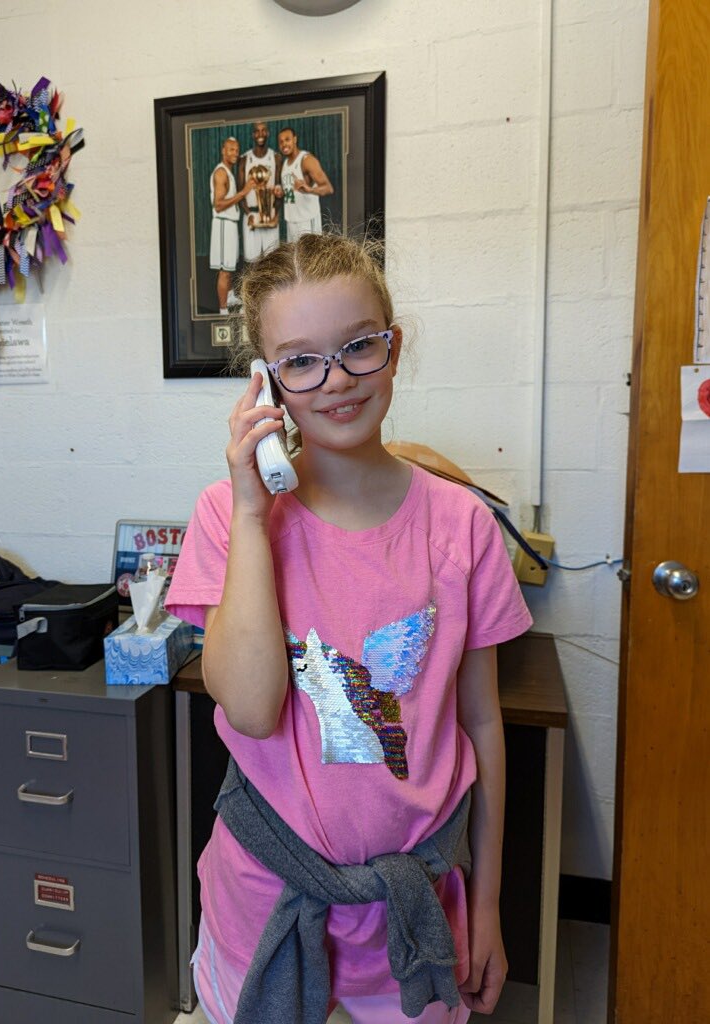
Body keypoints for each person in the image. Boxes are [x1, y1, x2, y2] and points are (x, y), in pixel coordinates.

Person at [165, 232, 533, 1024]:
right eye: (299, 361)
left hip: (412, 913)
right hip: (262, 907)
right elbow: (253, 709)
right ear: (266, 381)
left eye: (357, 347)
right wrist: (256, 514)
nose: (334, 381)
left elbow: (481, 722)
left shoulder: (462, 526)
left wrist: (491, 904)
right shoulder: (228, 518)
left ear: (391, 348)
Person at [209, 137, 252, 313]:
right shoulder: (221, 173)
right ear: (223, 150)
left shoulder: (228, 171)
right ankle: (223, 310)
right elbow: (218, 205)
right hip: (223, 224)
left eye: (236, 149)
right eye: (230, 149)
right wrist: (243, 192)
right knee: (224, 270)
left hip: (230, 224)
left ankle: (229, 296)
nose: (234, 153)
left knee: (230, 265)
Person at [275, 126, 334, 241]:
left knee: (310, 258)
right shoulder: (285, 163)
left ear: (295, 139)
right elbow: (292, 190)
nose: (284, 144)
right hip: (291, 221)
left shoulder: (307, 160)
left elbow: (328, 188)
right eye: (281, 142)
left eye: (287, 139)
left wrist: (310, 190)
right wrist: (282, 192)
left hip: (307, 220)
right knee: (293, 258)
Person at [237, 121, 282, 262]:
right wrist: (248, 213)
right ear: (253, 134)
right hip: (251, 213)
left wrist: (276, 214)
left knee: (273, 263)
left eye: (263, 130)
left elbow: (280, 190)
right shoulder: (245, 159)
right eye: (257, 131)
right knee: (252, 263)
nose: (260, 134)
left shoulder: (276, 158)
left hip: (270, 214)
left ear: (268, 133)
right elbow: (240, 192)